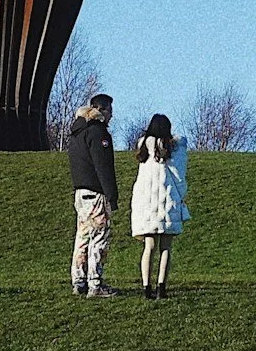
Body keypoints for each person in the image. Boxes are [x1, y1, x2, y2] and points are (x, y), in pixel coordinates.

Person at [129, 114, 188, 299]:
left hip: (146, 204)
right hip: (167, 201)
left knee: (149, 247)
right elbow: (179, 176)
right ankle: (161, 286)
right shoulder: (173, 148)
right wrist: (182, 196)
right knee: (166, 248)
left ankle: (146, 287)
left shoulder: (144, 149)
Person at [65, 92, 118, 298]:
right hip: (96, 193)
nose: (112, 115)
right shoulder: (98, 133)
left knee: (82, 238)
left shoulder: (77, 133)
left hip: (80, 192)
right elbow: (103, 166)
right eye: (110, 110)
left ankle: (79, 281)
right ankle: (96, 283)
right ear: (102, 110)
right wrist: (111, 195)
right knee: (99, 239)